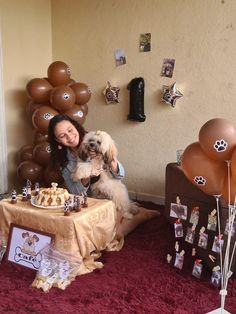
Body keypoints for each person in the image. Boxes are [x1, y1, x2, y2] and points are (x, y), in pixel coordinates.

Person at [48, 114, 125, 195]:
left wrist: (108, 159)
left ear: (75, 126)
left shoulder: (94, 139)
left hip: (112, 194)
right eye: (62, 136)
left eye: (70, 130)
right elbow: (75, 191)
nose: (69, 137)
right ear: (58, 140)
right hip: (89, 200)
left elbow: (120, 176)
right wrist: (86, 177)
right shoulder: (62, 159)